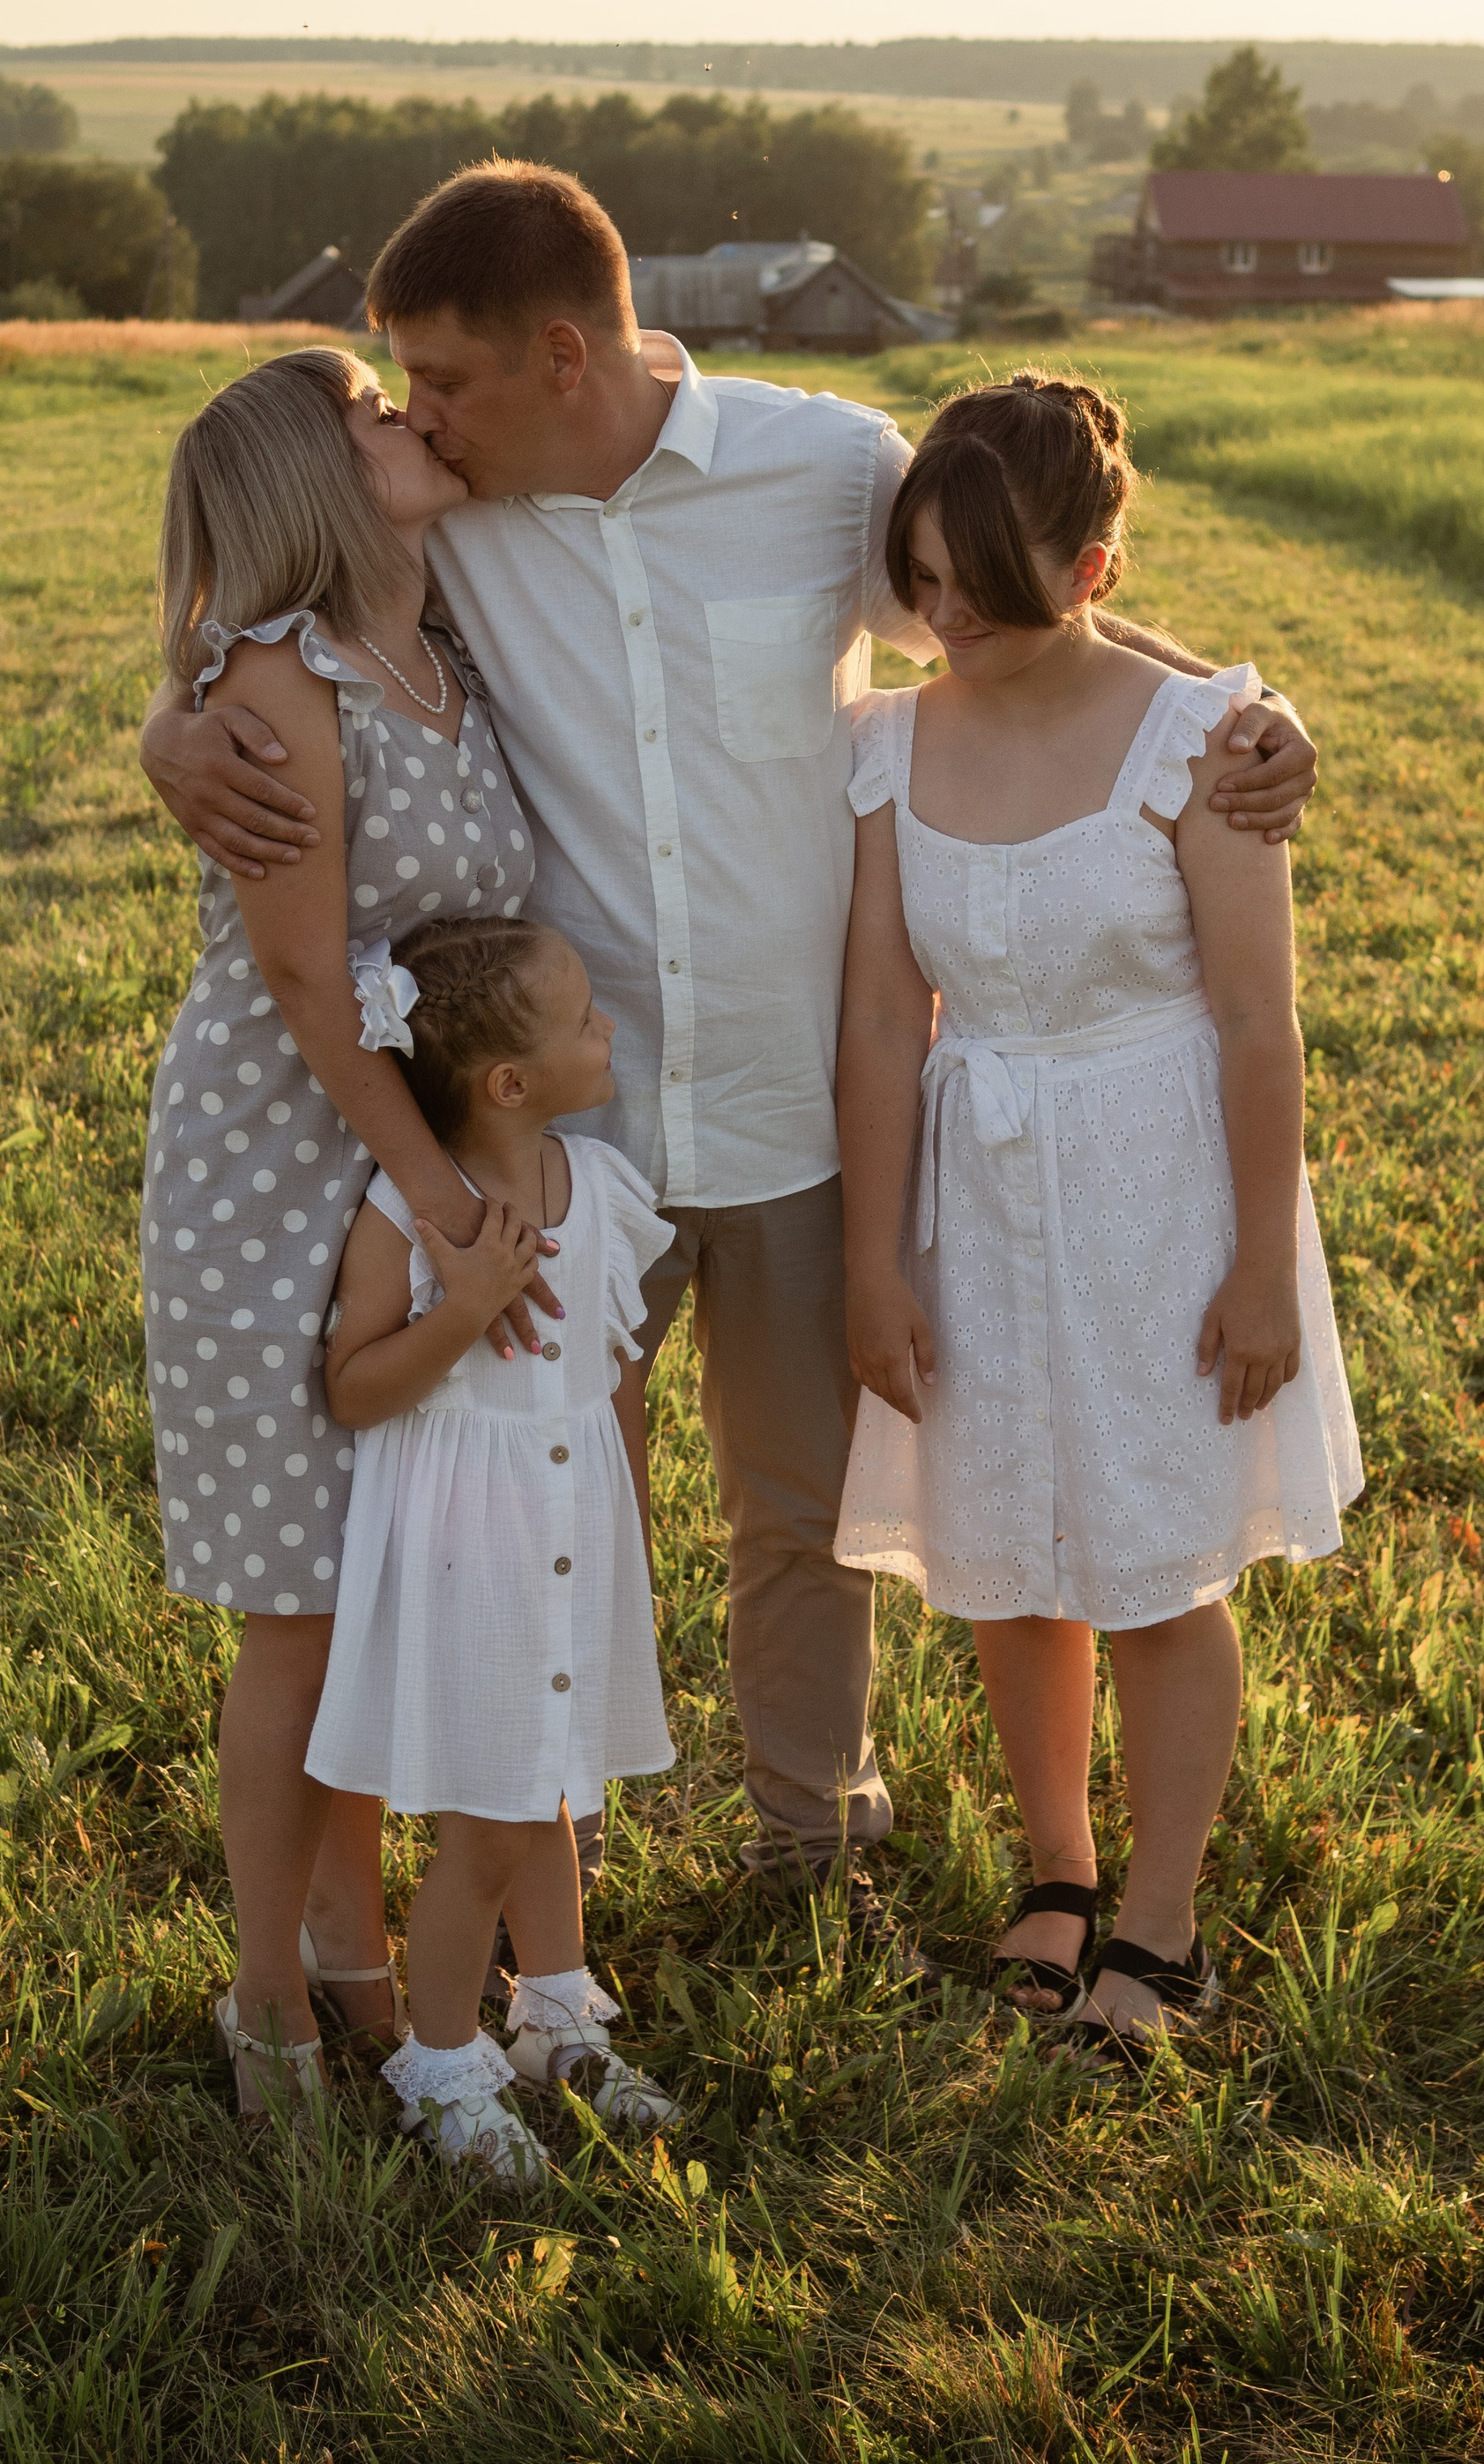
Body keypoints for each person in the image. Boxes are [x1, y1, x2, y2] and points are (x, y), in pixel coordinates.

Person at [139, 163, 1321, 1967]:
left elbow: (1024, 607)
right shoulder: (446, 514)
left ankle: (806, 1830)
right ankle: (547, 1872)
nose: (416, 417)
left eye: (441, 380)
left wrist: (1248, 703)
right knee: (552, 1488)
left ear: (559, 353)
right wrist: (167, 729)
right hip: (560, 1113)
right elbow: (273, 606)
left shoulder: (825, 469)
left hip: (795, 1087)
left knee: (797, 1501)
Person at [833, 374, 1362, 2051]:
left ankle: (1161, 1917)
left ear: (1096, 567)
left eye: (986, 580)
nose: (946, 616)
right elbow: (875, 1020)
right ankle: (1055, 1867)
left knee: (1149, 1562)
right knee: (1009, 1561)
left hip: (1161, 1186)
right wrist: (869, 1258)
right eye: (921, 578)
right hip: (973, 1188)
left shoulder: (1205, 736)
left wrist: (1265, 1262)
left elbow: (1261, 1017)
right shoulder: (891, 742)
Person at [142, 345, 555, 2124]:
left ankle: (360, 1958)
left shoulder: (447, 640)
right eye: (375, 407)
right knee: (302, 1609)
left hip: (413, 1155)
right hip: (277, 1163)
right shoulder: (272, 684)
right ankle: (270, 2007)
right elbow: (311, 980)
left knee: (392, 1576)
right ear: (311, 473)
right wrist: (450, 1199)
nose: (413, 416)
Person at [309, 912, 682, 2184]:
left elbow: (618, 1370)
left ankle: (558, 2015)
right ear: (508, 1084)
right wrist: (462, 1309)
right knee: (487, 1821)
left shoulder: (600, 1187)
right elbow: (354, 1386)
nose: (607, 1026)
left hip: (576, 1528)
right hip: (473, 1547)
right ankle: (443, 2061)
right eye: (585, 1018)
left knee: (556, 1788)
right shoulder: (410, 1216)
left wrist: (631, 1515)